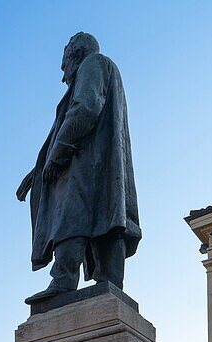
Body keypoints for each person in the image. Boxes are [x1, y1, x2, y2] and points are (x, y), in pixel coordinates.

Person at [17, 32, 141, 305]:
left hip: (83, 166)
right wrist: (38, 169)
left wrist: (57, 156)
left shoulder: (93, 64)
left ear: (77, 55)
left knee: (71, 216)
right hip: (98, 166)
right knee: (106, 219)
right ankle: (110, 283)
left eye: (64, 66)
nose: (63, 76)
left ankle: (63, 279)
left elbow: (85, 108)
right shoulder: (106, 70)